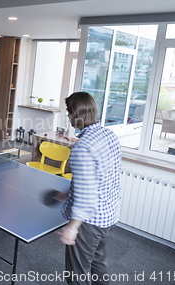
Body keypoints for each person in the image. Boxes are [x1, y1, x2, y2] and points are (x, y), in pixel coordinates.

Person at [58, 92, 122, 285]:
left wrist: (72, 227)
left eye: (69, 112)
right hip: (108, 215)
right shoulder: (109, 135)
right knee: (98, 263)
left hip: (89, 222)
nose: (68, 117)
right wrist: (68, 193)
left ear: (75, 114)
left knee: (76, 274)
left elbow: (87, 197)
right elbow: (103, 177)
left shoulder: (82, 147)